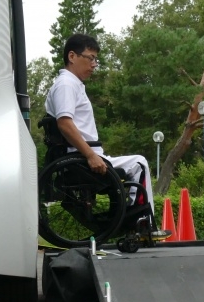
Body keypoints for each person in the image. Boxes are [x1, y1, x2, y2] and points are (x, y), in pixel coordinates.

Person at [44, 34, 155, 216]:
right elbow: (64, 123)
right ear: (72, 56)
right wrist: (90, 155)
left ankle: (134, 218)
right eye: (91, 58)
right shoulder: (66, 84)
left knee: (137, 163)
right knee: (139, 163)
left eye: (96, 59)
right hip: (81, 158)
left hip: (78, 155)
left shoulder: (71, 84)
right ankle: (139, 220)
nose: (94, 64)